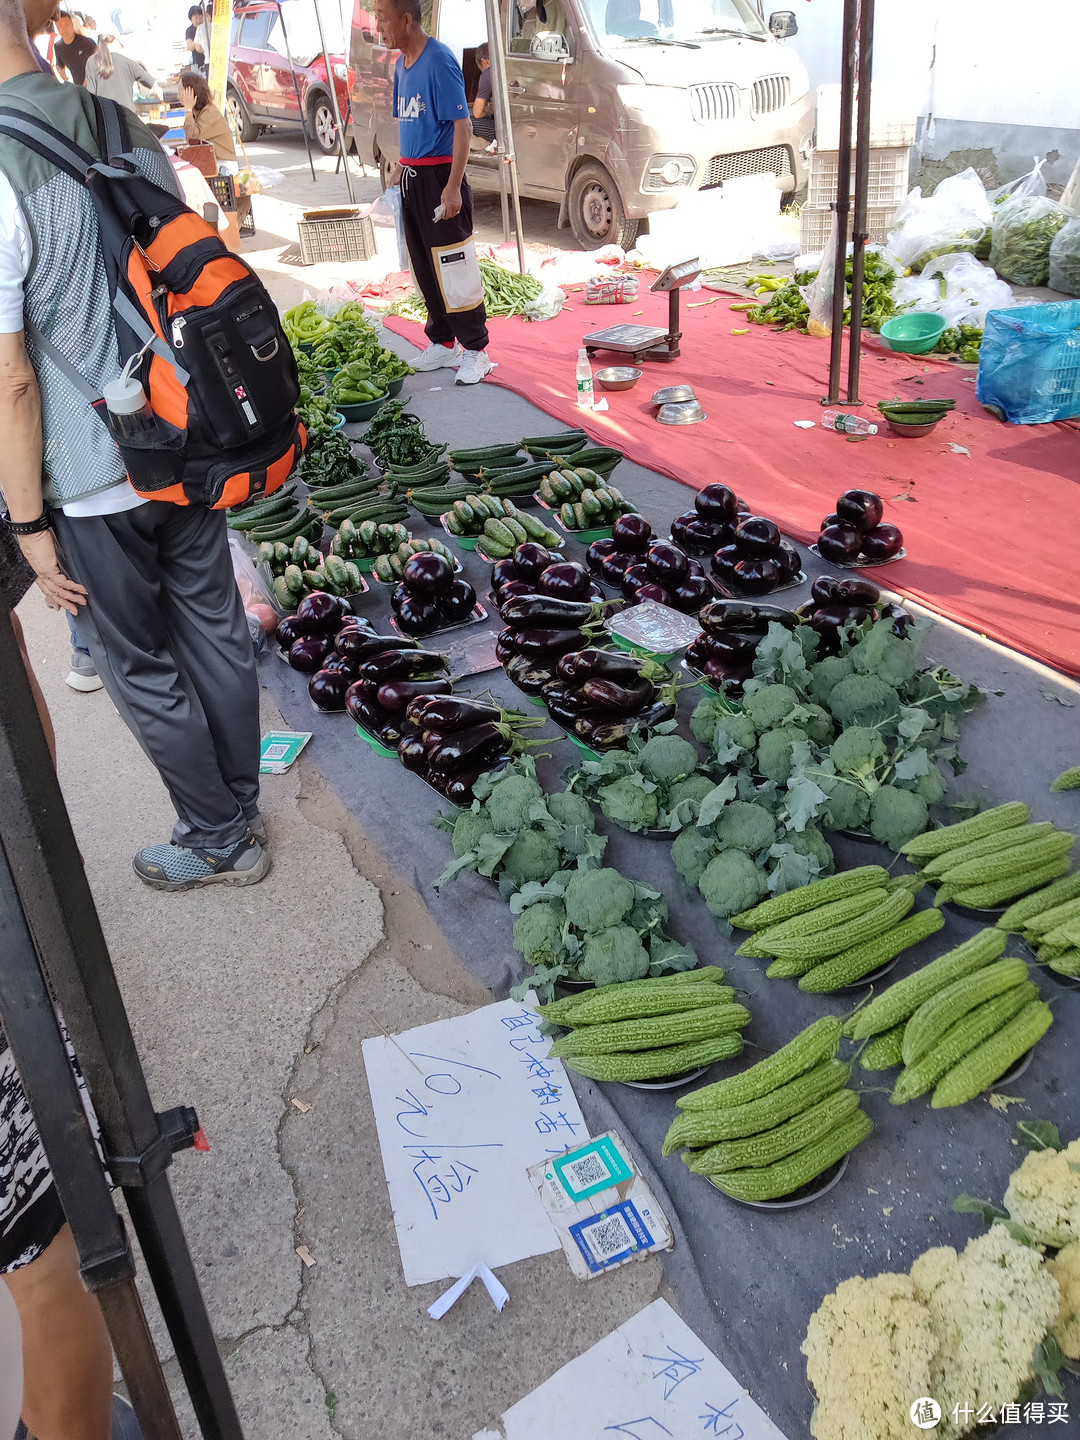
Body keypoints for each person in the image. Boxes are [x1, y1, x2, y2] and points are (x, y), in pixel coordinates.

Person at [0, 3, 270, 890]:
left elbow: (12, 381)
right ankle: (238, 803)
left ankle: (215, 832)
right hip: (188, 433)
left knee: (138, 660)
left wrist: (29, 524)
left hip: (92, 468)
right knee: (215, 628)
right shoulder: (120, 121)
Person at [374, 0, 492, 385]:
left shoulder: (439, 59)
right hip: (412, 177)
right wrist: (399, 165)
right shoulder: (400, 66)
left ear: (406, 19)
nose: (379, 27)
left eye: (383, 18)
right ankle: (443, 341)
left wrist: (453, 187)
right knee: (425, 266)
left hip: (441, 178)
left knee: (455, 266)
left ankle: (476, 350)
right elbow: (411, 123)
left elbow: (463, 128)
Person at [177, 67, 250, 230]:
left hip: (224, 166)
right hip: (214, 162)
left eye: (181, 90)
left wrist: (187, 110)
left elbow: (192, 135)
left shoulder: (209, 112)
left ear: (191, 92)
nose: (178, 95)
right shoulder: (200, 112)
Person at [84, 33, 160, 109]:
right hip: (127, 114)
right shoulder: (126, 62)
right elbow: (148, 79)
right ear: (112, 43)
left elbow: (90, 94)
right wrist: (157, 90)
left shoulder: (91, 62)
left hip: (105, 114)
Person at [52, 8, 95, 83]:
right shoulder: (58, 47)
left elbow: (101, 63)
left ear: (72, 24)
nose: (65, 29)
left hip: (95, 85)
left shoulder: (87, 43)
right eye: (61, 26)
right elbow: (60, 66)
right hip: (79, 88)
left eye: (67, 25)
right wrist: (64, 76)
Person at [470, 41, 495, 148]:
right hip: (518, 126)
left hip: (499, 131)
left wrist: (488, 113)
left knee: (467, 121)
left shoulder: (487, 74)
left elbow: (477, 113)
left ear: (483, 62)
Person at [184, 3, 205, 72]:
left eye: (200, 17)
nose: (198, 20)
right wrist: (197, 42)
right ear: (191, 19)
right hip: (196, 62)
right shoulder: (190, 30)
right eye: (195, 18)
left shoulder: (206, 28)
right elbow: (189, 47)